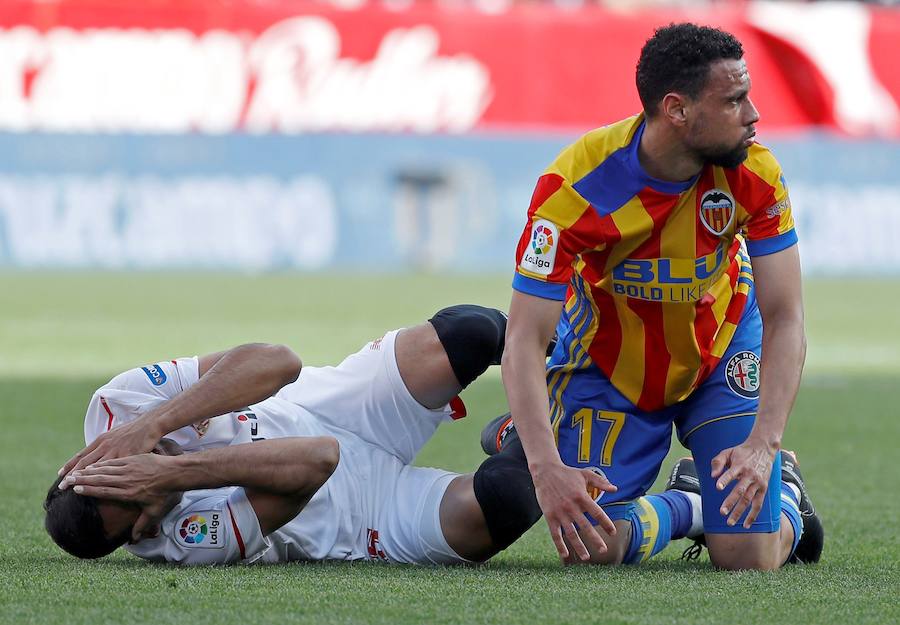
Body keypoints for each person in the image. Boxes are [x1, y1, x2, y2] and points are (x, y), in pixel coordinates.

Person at [499, 22, 823, 570]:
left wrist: (765, 444)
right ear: (676, 110)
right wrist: (545, 469)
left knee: (747, 559)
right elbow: (524, 341)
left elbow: (785, 316)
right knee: (592, 548)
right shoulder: (572, 191)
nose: (754, 115)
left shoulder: (755, 173)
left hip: (721, 349)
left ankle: (783, 493)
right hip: (609, 364)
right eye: (735, 100)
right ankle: (692, 502)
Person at [46, 305, 590, 565]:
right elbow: (318, 460)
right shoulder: (185, 543)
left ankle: (585, 351)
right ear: (140, 531)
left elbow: (277, 362)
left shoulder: (120, 405)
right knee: (506, 501)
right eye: (138, 506)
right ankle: (517, 436)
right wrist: (175, 470)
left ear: (91, 465)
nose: (138, 485)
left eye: (119, 479)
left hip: (331, 402)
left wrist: (154, 424)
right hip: (365, 516)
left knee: (472, 332)